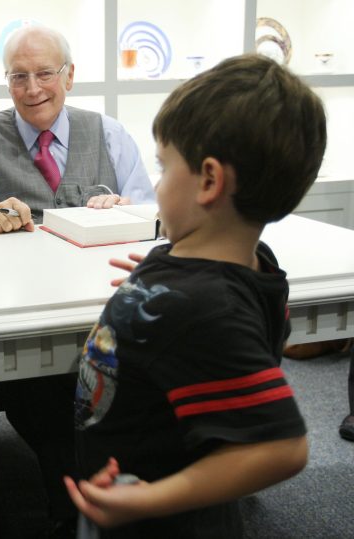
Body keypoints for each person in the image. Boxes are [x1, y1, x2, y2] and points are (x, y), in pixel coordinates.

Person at [65, 53, 326, 538]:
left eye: (164, 167)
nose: (157, 184)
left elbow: (282, 447)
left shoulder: (200, 307)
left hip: (157, 516)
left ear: (209, 180)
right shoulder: (253, 264)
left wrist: (149, 499)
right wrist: (161, 284)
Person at [0, 24, 155, 537]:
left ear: (70, 76)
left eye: (45, 74)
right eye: (18, 77)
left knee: (143, 380)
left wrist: (127, 208)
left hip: (103, 305)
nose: (32, 89)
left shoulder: (110, 134)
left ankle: (127, 498)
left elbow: (154, 218)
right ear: (6, 81)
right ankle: (74, 511)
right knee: (48, 393)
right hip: (19, 315)